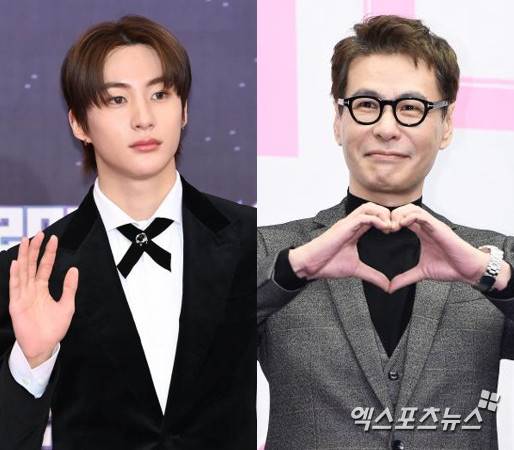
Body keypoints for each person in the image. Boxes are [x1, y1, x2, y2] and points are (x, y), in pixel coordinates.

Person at [257, 15, 514, 449]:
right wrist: (292, 271)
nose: (386, 128)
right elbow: (194, 344)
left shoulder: (495, 257)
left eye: (411, 108)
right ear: (338, 119)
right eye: (366, 104)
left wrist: (493, 277)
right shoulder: (271, 251)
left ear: (446, 124)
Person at [0, 15, 255, 450]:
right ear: (79, 124)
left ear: (184, 109)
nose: (143, 118)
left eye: (160, 94)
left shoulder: (253, 241)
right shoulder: (32, 272)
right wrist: (32, 361)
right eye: (117, 99)